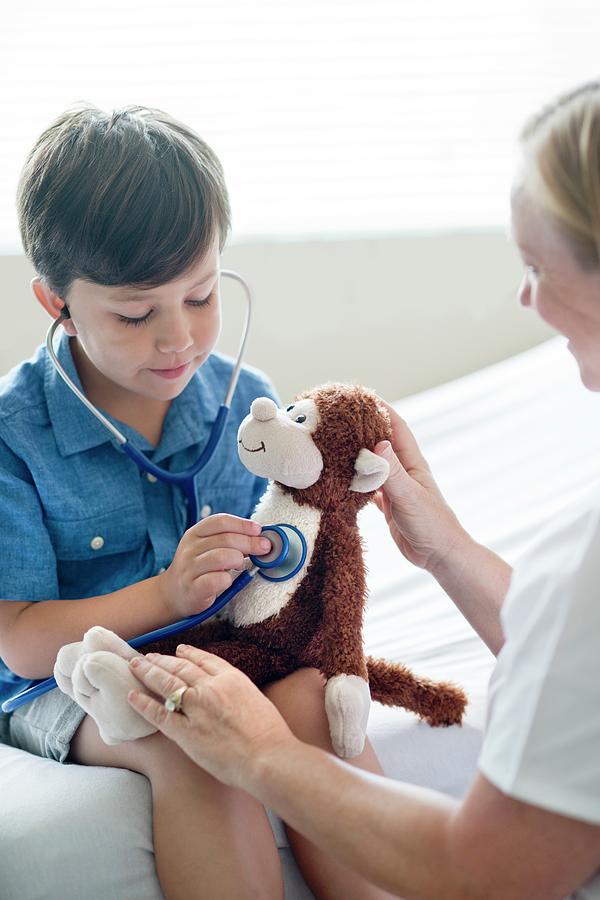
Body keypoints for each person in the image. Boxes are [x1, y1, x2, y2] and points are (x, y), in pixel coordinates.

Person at [126, 81, 600, 899]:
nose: (525, 298)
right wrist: (442, 547)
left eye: (535, 267)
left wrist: (258, 753)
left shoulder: (579, 568)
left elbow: (482, 868)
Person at [0, 107, 395, 900]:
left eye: (203, 295)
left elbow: (287, 558)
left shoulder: (246, 405)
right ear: (58, 305)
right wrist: (166, 596)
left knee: (315, 708)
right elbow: (20, 647)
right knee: (191, 740)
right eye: (136, 314)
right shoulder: (17, 435)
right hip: (69, 684)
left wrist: (298, 547)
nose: (179, 339)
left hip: (230, 654)